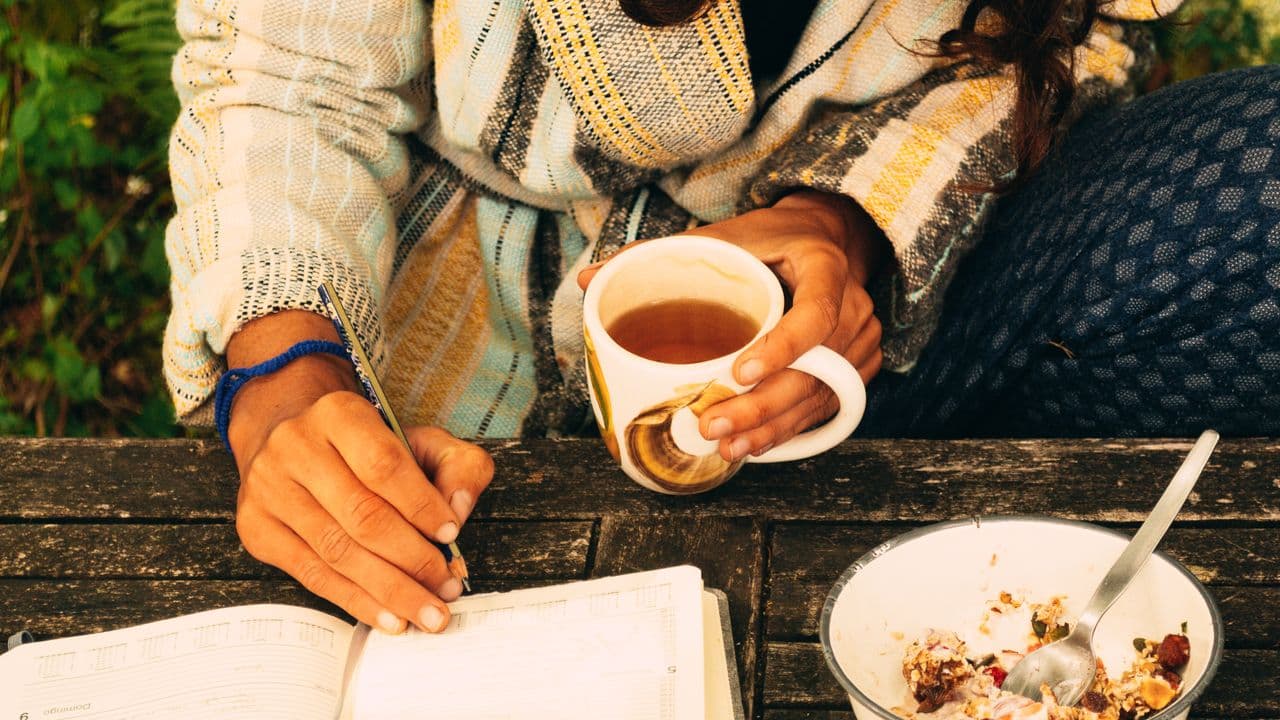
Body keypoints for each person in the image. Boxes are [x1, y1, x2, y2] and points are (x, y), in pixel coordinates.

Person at [163, 0, 1279, 634]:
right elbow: (286, 76)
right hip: (452, 407)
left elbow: (1062, 33)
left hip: (877, 317)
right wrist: (287, 366)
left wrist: (847, 223)